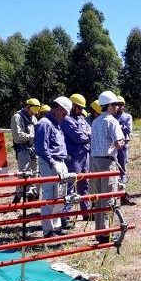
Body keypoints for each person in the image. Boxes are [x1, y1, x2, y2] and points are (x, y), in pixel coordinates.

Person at [34, 96, 72, 238]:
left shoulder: (55, 123)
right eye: (64, 113)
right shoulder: (45, 123)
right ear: (58, 108)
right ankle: (48, 230)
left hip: (59, 162)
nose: (65, 116)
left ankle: (55, 226)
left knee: (60, 196)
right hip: (51, 163)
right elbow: (42, 148)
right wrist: (52, 163)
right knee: (50, 195)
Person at [90, 91, 125, 243]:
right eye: (116, 104)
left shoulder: (96, 121)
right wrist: (124, 141)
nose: (118, 107)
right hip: (107, 161)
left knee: (98, 198)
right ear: (110, 106)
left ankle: (99, 231)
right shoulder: (112, 121)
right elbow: (118, 143)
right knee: (108, 198)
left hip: (94, 161)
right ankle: (106, 234)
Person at [59, 93, 92, 222]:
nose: (81, 111)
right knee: (70, 186)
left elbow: (90, 131)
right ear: (72, 105)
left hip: (84, 155)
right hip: (73, 157)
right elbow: (79, 137)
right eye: (79, 108)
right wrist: (87, 135)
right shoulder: (66, 119)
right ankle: (65, 215)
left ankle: (86, 211)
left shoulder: (81, 118)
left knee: (85, 184)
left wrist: (87, 134)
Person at [10, 98, 41, 203]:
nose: (34, 113)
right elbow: (17, 136)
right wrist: (32, 136)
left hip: (33, 149)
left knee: (34, 175)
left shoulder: (33, 118)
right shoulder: (17, 117)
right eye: (33, 110)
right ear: (28, 107)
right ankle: (18, 198)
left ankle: (31, 198)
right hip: (23, 149)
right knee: (24, 175)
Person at [115, 96, 135, 205]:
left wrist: (117, 127)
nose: (120, 106)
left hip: (123, 146)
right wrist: (120, 127)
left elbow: (128, 129)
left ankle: (123, 195)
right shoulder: (111, 116)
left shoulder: (127, 116)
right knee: (113, 170)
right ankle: (114, 194)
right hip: (113, 146)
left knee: (122, 170)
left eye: (122, 104)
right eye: (118, 104)